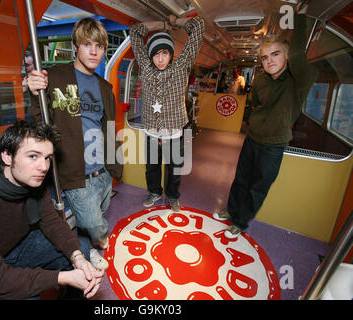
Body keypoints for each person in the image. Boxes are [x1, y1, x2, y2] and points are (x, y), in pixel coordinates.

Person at [0, 120, 104, 300]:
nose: (43, 167)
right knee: (26, 295)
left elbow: (51, 222)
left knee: (81, 250)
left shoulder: (32, 179)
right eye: (33, 156)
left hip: (17, 245)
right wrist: (62, 278)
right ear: (7, 156)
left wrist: (77, 258)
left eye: (47, 158)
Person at [213, 5, 318, 238]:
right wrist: (251, 124)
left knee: (257, 187)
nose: (269, 61)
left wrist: (299, 18)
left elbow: (300, 54)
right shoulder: (261, 80)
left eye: (275, 54)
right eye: (265, 57)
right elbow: (256, 103)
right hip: (252, 138)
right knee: (240, 179)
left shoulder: (299, 80)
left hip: (274, 145)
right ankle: (231, 210)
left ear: (287, 56)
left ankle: (239, 222)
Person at [26, 17, 123, 269]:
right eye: (87, 44)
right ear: (75, 46)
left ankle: (87, 248)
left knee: (94, 216)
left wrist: (115, 164)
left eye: (99, 46)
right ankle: (97, 244)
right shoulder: (55, 77)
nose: (94, 51)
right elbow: (40, 121)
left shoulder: (104, 87)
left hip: (102, 172)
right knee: (95, 224)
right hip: (76, 174)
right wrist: (34, 90)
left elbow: (107, 128)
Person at [130, 14, 204, 212]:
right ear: (150, 56)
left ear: (171, 54)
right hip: (152, 132)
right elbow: (135, 31)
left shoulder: (181, 68)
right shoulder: (146, 68)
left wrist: (176, 22)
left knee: (174, 169)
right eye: (156, 54)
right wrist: (162, 24)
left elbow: (198, 26)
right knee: (152, 167)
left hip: (174, 132)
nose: (160, 59)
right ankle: (154, 192)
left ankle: (172, 196)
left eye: (164, 53)